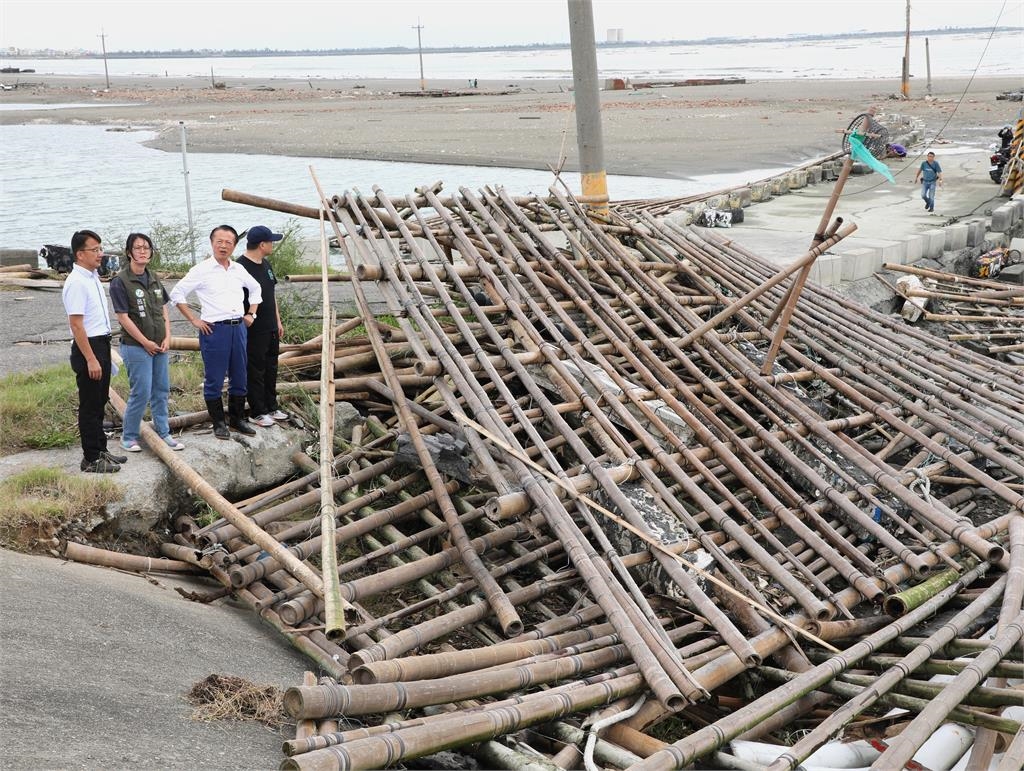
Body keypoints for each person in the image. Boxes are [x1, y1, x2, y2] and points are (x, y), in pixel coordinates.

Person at [169, 225, 262, 440]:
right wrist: (194, 319)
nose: (223, 246)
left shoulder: (238, 269)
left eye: (228, 242)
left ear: (234, 246)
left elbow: (256, 289)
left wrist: (251, 314)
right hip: (214, 330)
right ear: (212, 243)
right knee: (215, 378)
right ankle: (218, 423)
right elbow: (177, 293)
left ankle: (237, 419)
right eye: (219, 241)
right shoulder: (201, 270)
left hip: (238, 328)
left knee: (240, 375)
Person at [109, 232, 184, 453]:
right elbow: (123, 317)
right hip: (136, 346)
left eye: (146, 248)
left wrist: (167, 336)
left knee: (161, 390)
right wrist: (145, 342)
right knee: (141, 392)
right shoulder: (120, 281)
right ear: (129, 252)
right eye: (138, 247)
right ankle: (129, 437)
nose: (143, 251)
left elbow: (163, 309)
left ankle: (164, 432)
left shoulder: (154, 277)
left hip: (160, 344)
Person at [62, 230, 128, 473]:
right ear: (80, 254)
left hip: (101, 343)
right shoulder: (76, 282)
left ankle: (101, 449)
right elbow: (76, 325)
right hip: (87, 347)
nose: (100, 254)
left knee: (100, 401)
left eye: (100, 249)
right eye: (95, 250)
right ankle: (90, 458)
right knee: (90, 404)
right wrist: (90, 358)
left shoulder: (92, 277)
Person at [238, 225, 288, 427]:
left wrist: (278, 320)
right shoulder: (240, 267)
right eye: (271, 242)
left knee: (271, 366)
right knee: (255, 369)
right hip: (254, 327)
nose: (273, 245)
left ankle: (271, 406)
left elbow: (271, 294)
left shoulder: (266, 264)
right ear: (262, 244)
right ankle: (257, 411)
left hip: (270, 325)